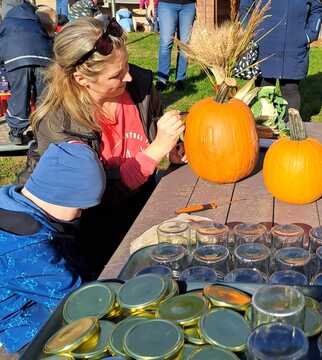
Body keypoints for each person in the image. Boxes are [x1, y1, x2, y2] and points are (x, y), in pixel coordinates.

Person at [24, 17, 185, 279]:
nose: (129, 76)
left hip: (139, 210)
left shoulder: (139, 88)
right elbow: (96, 198)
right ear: (81, 79)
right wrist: (155, 151)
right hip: (89, 235)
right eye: (116, 75)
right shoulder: (58, 122)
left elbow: (153, 133)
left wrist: (172, 148)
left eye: (126, 66)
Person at [0, 142, 106, 353]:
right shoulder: (26, 247)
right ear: (60, 195)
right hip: (25, 326)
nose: (81, 212)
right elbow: (74, 298)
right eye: (80, 206)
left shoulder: (16, 202)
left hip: (41, 292)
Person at [239, 0, 322, 114]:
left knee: (290, 90)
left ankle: (290, 129)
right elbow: (245, 7)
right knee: (264, 91)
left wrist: (310, 35)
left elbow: (317, 9)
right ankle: (263, 130)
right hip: (264, 47)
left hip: (293, 48)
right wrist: (250, 32)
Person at [0, 0, 53, 145]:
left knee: (20, 96)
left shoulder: (7, 22)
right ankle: (43, 131)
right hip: (43, 59)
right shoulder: (35, 20)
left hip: (17, 61)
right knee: (43, 97)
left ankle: (16, 133)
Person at [149, 0, 195, 91]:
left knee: (184, 45)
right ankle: (162, 80)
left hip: (189, 5)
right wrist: (151, 3)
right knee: (166, 43)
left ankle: (180, 79)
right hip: (167, 4)